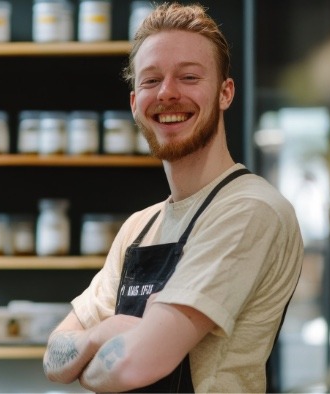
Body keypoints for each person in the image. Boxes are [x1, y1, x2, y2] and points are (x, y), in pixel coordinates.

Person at [42, 2, 304, 392]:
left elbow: (134, 366)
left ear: (225, 92)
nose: (167, 93)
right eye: (150, 81)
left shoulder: (249, 209)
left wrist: (95, 353)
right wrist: (105, 334)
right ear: (134, 103)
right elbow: (53, 358)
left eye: (189, 77)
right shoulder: (139, 227)